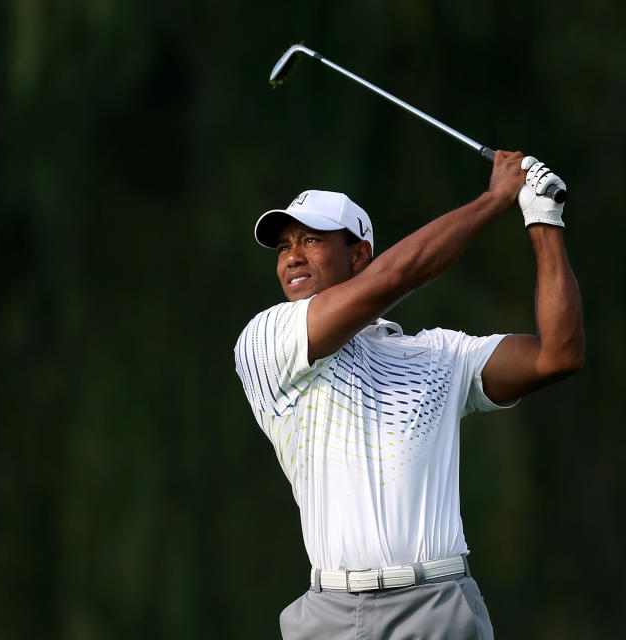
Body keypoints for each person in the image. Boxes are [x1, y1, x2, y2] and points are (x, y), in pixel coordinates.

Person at [233, 151, 584, 639]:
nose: (292, 256)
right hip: (328, 616)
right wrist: (493, 200)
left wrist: (543, 219)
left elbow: (557, 355)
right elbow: (395, 278)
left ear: (358, 255)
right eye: (284, 247)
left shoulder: (441, 355)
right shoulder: (267, 341)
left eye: (311, 240)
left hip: (436, 606)